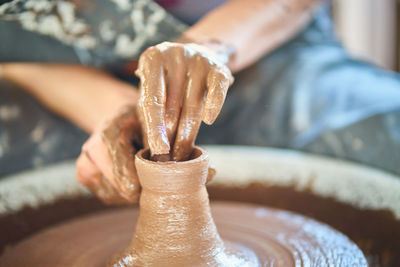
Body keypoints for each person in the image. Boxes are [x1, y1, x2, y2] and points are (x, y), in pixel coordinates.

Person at [1, 0, 400, 203]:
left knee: (386, 133)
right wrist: (114, 104)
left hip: (255, 42)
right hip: (43, 69)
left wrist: (208, 49)